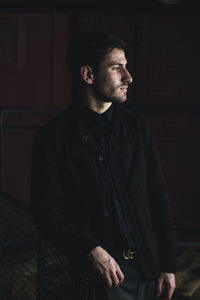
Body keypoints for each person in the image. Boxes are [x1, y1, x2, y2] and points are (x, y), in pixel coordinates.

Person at [31, 31, 177, 300]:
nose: (128, 77)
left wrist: (169, 265)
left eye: (126, 67)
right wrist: (90, 248)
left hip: (149, 272)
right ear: (88, 75)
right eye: (116, 67)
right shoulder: (53, 138)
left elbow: (158, 199)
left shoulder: (137, 129)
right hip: (97, 279)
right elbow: (47, 211)